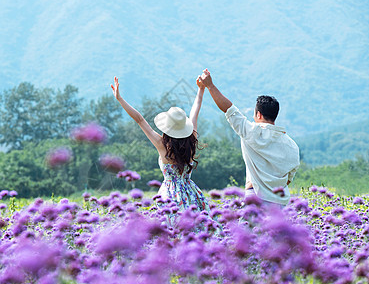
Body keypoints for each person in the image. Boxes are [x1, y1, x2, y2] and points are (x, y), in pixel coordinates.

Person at [197, 69, 300, 206]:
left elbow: (229, 109)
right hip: (280, 204)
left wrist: (210, 86)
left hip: (255, 197)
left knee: (245, 228)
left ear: (258, 115)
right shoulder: (292, 146)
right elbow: (288, 178)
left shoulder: (251, 132)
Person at [110, 76, 210, 212]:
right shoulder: (191, 141)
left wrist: (120, 99)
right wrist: (201, 90)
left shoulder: (162, 145)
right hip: (191, 194)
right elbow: (195, 111)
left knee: (171, 230)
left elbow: (140, 119)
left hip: (169, 196)